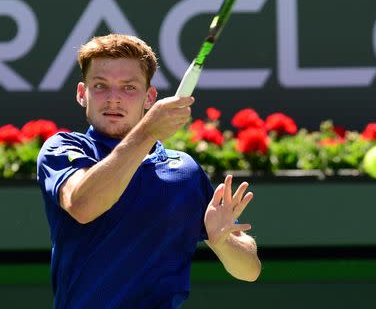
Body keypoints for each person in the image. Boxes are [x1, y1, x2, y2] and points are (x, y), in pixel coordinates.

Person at [37, 33, 261, 309]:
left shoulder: (184, 172)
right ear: (82, 94)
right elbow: (83, 205)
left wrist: (223, 242)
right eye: (100, 86)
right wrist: (147, 132)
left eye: (128, 88)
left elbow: (249, 270)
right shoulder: (61, 149)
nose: (113, 99)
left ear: (149, 97)